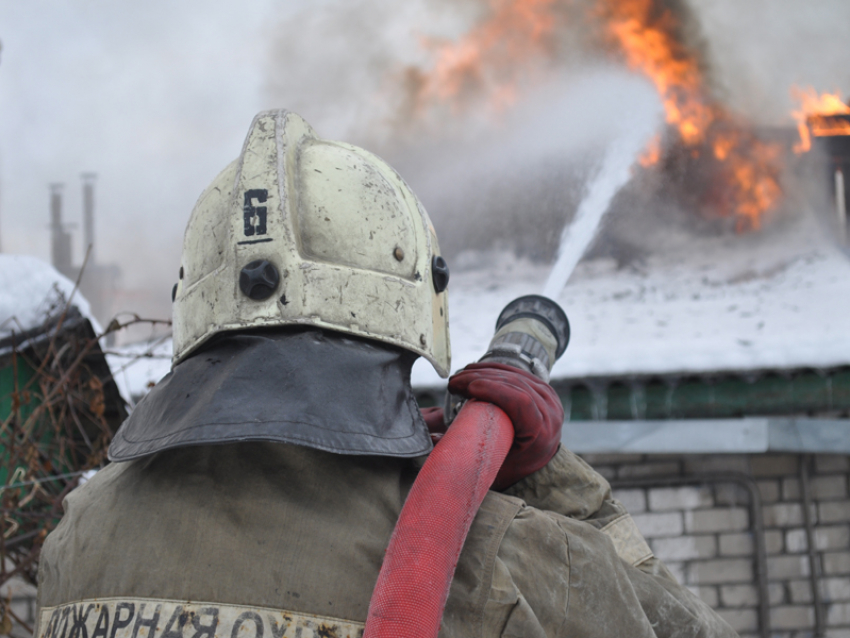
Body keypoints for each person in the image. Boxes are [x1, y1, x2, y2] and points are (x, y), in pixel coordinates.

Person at [35, 110, 737, 638]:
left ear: (195, 309)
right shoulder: (495, 558)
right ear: (409, 314)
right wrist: (550, 481)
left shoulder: (81, 533)